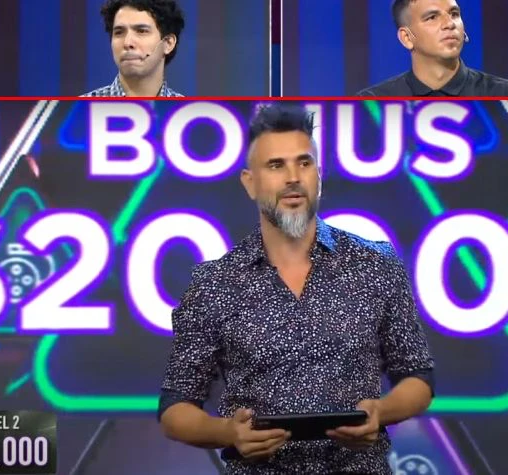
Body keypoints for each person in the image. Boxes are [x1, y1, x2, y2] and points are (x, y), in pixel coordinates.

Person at [158, 103, 435, 474]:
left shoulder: (376, 265)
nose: (292, 177)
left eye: (304, 163)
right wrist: (228, 432)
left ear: (318, 175)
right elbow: (175, 406)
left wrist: (381, 411)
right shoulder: (214, 284)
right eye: (276, 165)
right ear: (249, 182)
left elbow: (418, 376)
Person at [358, 0, 508, 97]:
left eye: (454, 14)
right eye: (432, 17)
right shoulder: (374, 103)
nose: (449, 24)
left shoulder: (505, 96)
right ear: (407, 38)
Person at [82, 0, 184, 97]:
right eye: (119, 32)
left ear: (168, 43)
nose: (127, 43)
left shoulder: (186, 109)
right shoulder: (84, 107)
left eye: (141, 31)